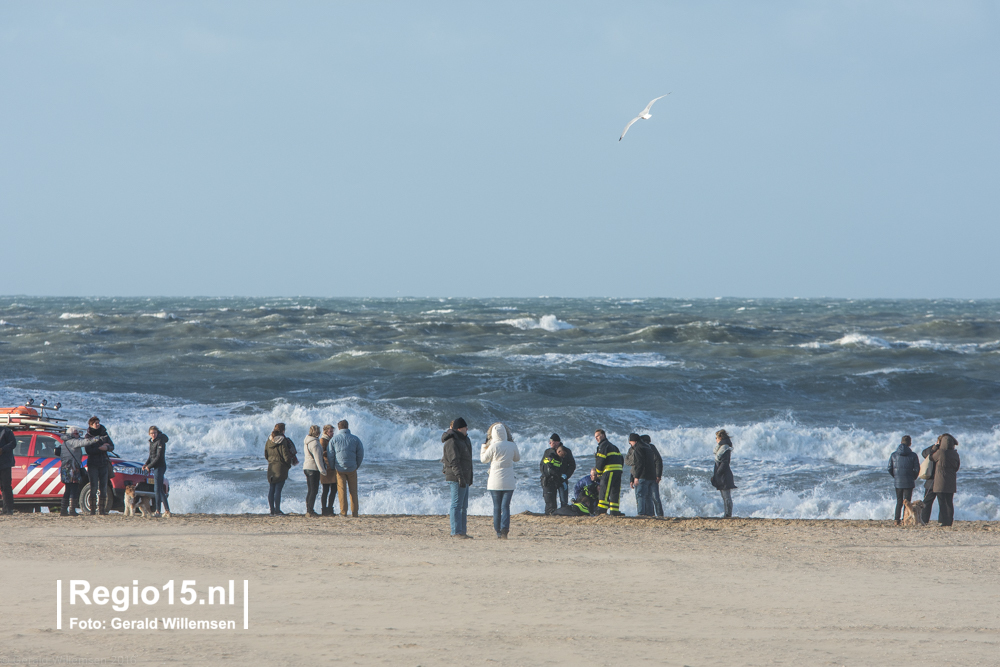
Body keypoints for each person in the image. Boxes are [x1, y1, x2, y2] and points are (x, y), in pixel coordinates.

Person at [481, 422, 521, 539]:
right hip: (508, 481)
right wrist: (512, 445)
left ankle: (498, 531)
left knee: (496, 507)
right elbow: (517, 458)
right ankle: (505, 530)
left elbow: (483, 459)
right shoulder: (511, 445)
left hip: (494, 481)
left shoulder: (493, 446)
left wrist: (484, 446)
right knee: (506, 507)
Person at [61, 427, 104, 516]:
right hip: (72, 468)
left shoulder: (64, 442)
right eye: (76, 433)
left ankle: (63, 510)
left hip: (65, 468)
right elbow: (83, 442)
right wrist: (96, 439)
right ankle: (72, 510)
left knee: (68, 489)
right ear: (71, 434)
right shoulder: (72, 442)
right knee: (74, 488)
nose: (78, 435)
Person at [442, 417, 473, 538]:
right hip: (456, 477)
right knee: (456, 505)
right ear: (459, 428)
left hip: (465, 476)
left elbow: (468, 461)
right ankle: (455, 532)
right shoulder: (452, 441)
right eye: (465, 427)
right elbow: (454, 461)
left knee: (463, 507)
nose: (467, 429)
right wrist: (460, 477)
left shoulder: (465, 439)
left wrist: (468, 478)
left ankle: (462, 531)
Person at [330, 420, 364, 517]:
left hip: (339, 468)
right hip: (352, 468)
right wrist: (356, 465)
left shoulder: (334, 439)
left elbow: (330, 455)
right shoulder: (355, 439)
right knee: (353, 491)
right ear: (347, 427)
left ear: (339, 428)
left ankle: (343, 512)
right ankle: (355, 513)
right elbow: (360, 454)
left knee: (342, 491)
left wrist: (333, 466)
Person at [887, 435, 920, 525]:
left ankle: (896, 520)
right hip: (909, 481)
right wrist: (914, 477)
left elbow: (889, 468)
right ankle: (905, 519)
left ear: (901, 442)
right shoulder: (913, 455)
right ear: (910, 443)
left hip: (898, 482)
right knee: (907, 502)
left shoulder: (894, 455)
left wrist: (896, 476)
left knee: (899, 501)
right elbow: (917, 469)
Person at [84, 416, 114, 515]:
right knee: (93, 487)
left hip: (104, 463)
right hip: (93, 464)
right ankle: (92, 510)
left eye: (98, 422)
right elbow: (88, 450)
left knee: (104, 487)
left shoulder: (104, 433)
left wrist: (107, 447)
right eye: (95, 423)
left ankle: (102, 510)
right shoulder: (88, 436)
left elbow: (112, 446)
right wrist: (99, 449)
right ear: (91, 425)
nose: (98, 424)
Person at [540, 434, 574, 515]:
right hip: (551, 481)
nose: (550, 443)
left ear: (557, 442)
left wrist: (566, 476)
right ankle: (553, 515)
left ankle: (564, 515)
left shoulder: (566, 451)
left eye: (552, 442)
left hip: (562, 480)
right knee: (551, 503)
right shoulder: (548, 452)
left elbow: (572, 465)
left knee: (564, 501)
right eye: (550, 442)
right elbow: (542, 466)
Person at [931, 433, 960, 526]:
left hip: (940, 482)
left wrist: (935, 447)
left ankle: (943, 521)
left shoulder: (940, 452)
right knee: (949, 503)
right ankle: (949, 521)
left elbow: (932, 458)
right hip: (951, 481)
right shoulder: (955, 453)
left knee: (942, 503)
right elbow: (957, 467)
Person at [141, 426, 171, 517]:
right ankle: (167, 511)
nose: (153, 435)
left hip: (160, 466)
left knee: (157, 489)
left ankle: (158, 511)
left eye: (155, 433)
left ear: (157, 433)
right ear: (149, 434)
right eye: (152, 433)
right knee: (159, 490)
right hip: (155, 466)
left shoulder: (160, 441)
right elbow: (151, 456)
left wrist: (149, 466)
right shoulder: (152, 442)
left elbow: (158, 457)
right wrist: (146, 464)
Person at [264, 423, 294, 515]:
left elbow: (266, 454)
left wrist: (271, 460)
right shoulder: (282, 440)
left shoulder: (269, 440)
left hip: (271, 467)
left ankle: (272, 510)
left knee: (271, 489)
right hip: (280, 467)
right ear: (283, 430)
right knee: (278, 490)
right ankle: (277, 510)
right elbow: (286, 456)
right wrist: (288, 464)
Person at [593, 429, 624, 515]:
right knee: (615, 491)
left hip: (609, 471)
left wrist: (598, 472)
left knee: (604, 491)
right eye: (595, 437)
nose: (596, 438)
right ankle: (614, 511)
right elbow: (621, 459)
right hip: (618, 471)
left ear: (603, 435)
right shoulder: (614, 446)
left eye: (598, 436)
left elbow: (600, 460)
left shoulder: (603, 446)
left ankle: (601, 511)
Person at [626, 433, 656, 516]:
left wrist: (636, 477)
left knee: (640, 495)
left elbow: (639, 464)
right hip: (651, 476)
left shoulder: (638, 448)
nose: (630, 444)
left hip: (643, 476)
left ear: (634, 441)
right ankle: (650, 514)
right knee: (648, 496)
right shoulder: (647, 447)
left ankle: (641, 513)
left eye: (630, 442)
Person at [302, 425, 327, 517]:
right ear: (317, 432)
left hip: (306, 467)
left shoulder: (307, 441)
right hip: (313, 469)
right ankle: (310, 510)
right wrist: (323, 471)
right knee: (314, 490)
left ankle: (308, 509)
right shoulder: (315, 443)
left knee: (310, 490)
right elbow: (318, 459)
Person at [711, 429, 736, 518]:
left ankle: (728, 514)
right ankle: (726, 514)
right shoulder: (722, 448)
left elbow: (725, 463)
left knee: (726, 497)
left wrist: (718, 472)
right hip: (721, 475)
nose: (716, 440)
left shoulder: (725, 448)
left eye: (716, 438)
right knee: (724, 497)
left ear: (720, 437)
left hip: (724, 476)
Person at [641, 435, 664, 517]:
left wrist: (658, 475)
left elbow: (658, 460)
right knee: (652, 497)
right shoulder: (649, 447)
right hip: (649, 476)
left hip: (652, 477)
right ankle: (653, 514)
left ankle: (658, 514)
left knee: (653, 497)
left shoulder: (650, 447)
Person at [319, 424, 338, 516]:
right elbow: (321, 453)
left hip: (332, 468)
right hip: (326, 467)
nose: (332, 433)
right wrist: (331, 452)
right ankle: (324, 510)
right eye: (330, 431)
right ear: (326, 432)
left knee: (334, 489)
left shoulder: (331, 440)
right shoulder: (322, 440)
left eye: (332, 431)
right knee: (326, 490)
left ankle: (330, 508)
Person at [0, 425, 15, 515]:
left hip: (5, 464)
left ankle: (8, 509)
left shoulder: (6, 431)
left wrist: (2, 449)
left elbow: (13, 443)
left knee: (5, 487)